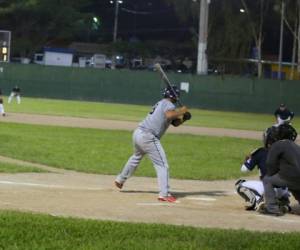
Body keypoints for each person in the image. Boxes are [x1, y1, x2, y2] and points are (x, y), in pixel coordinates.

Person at [114, 85, 191, 203]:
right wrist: (182, 110)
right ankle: (164, 194)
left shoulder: (162, 103)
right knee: (162, 165)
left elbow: (174, 122)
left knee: (136, 157)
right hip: (148, 137)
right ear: (175, 96)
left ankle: (120, 179)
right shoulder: (168, 104)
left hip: (138, 133)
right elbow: (170, 115)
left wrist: (184, 118)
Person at [235, 141, 290, 211]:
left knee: (239, 184)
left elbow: (244, 169)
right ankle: (283, 201)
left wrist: (248, 160)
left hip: (267, 189)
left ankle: (258, 202)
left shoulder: (260, 152)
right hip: (284, 190)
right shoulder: (287, 153)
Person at [259, 124, 300, 216]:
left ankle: (272, 208)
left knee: (267, 180)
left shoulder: (277, 145)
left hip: (290, 176)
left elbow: (270, 165)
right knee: (294, 186)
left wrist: (273, 174)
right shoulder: (296, 146)